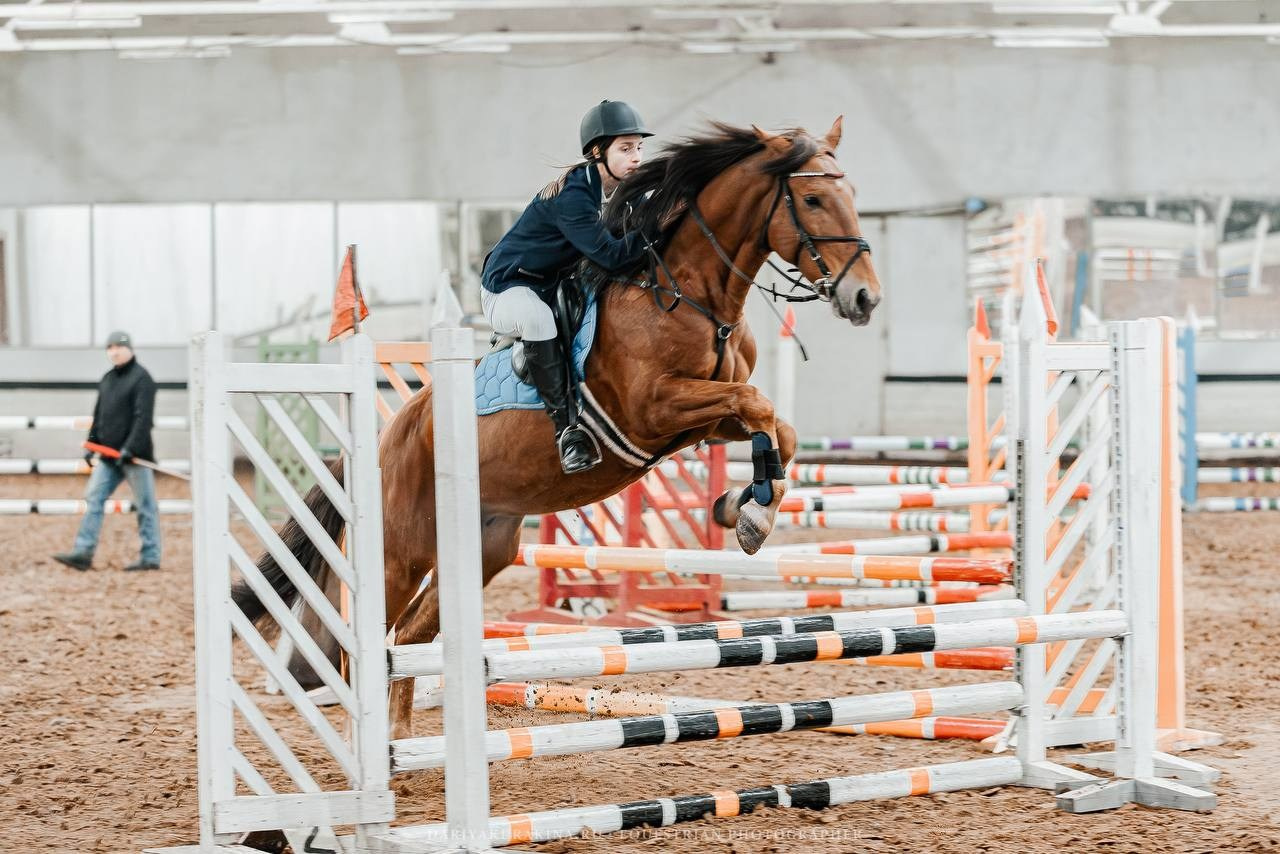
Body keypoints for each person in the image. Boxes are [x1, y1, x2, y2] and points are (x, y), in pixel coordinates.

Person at [481, 99, 653, 474]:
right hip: (508, 289)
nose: (636, 157)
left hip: (552, 283)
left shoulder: (619, 191)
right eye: (625, 149)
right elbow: (613, 256)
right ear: (597, 152)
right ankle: (567, 431)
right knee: (539, 321)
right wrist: (654, 230)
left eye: (639, 147)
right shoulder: (574, 195)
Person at [53, 330, 161, 571]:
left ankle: (151, 556)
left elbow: (143, 419)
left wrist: (129, 448)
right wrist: (91, 443)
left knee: (145, 505)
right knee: (94, 498)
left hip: (135, 457)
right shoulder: (107, 379)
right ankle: (83, 551)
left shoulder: (143, 379)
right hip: (108, 457)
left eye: (118, 347)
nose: (114, 351)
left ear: (129, 348)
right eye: (110, 347)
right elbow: (99, 414)